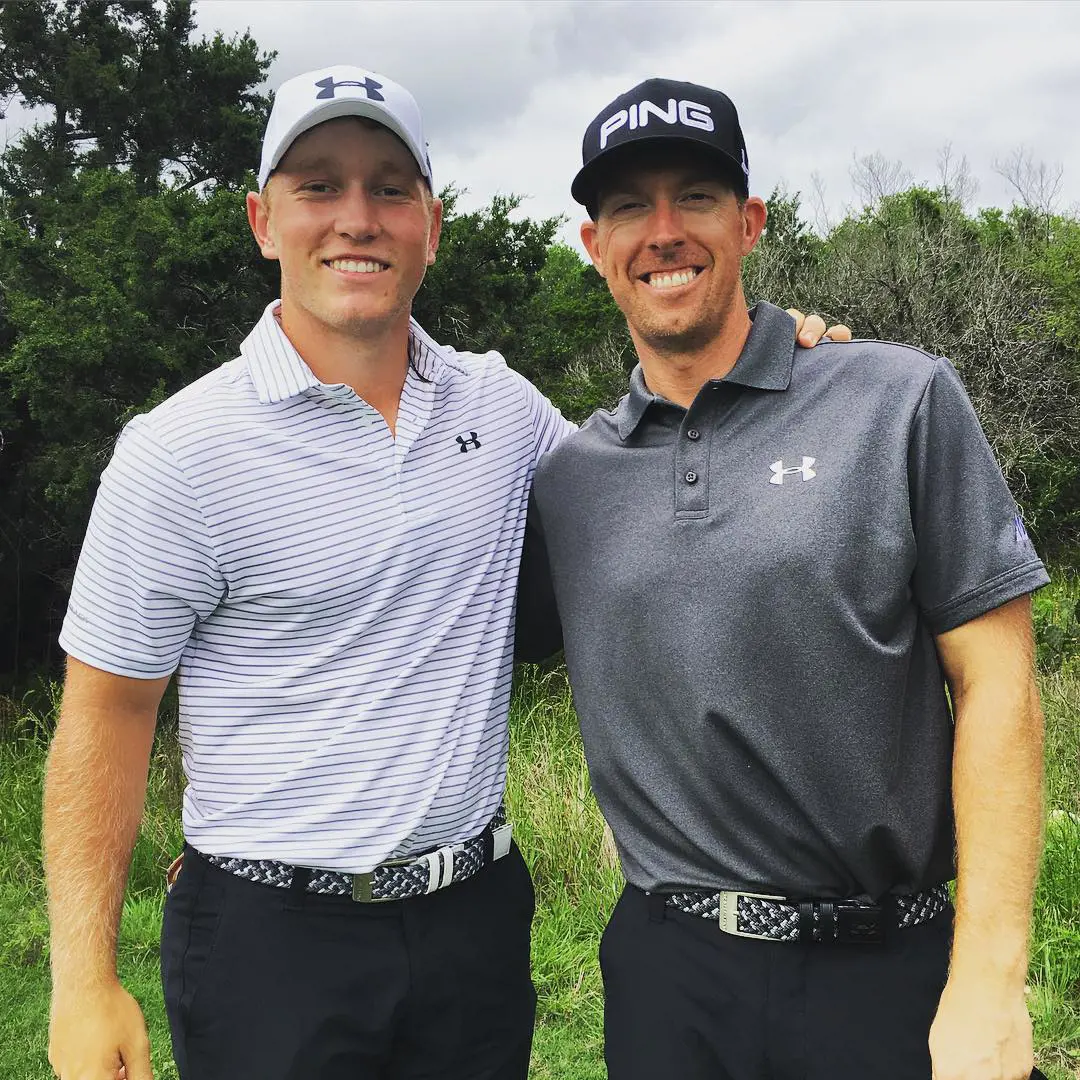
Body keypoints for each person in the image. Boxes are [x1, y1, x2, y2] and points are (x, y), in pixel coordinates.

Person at [42, 64, 842, 1080]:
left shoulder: (500, 410)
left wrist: (798, 378)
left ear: (433, 221)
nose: (356, 219)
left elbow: (659, 479)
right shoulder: (179, 452)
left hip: (472, 927)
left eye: (388, 187)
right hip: (270, 942)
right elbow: (105, 713)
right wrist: (82, 980)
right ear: (261, 219)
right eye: (318, 187)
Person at [518, 78, 1048, 1080]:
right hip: (667, 977)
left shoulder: (897, 401)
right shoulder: (568, 481)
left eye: (698, 197)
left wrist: (989, 975)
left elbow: (1001, 688)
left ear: (752, 221)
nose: (664, 231)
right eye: (630, 205)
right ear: (594, 246)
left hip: (887, 964)